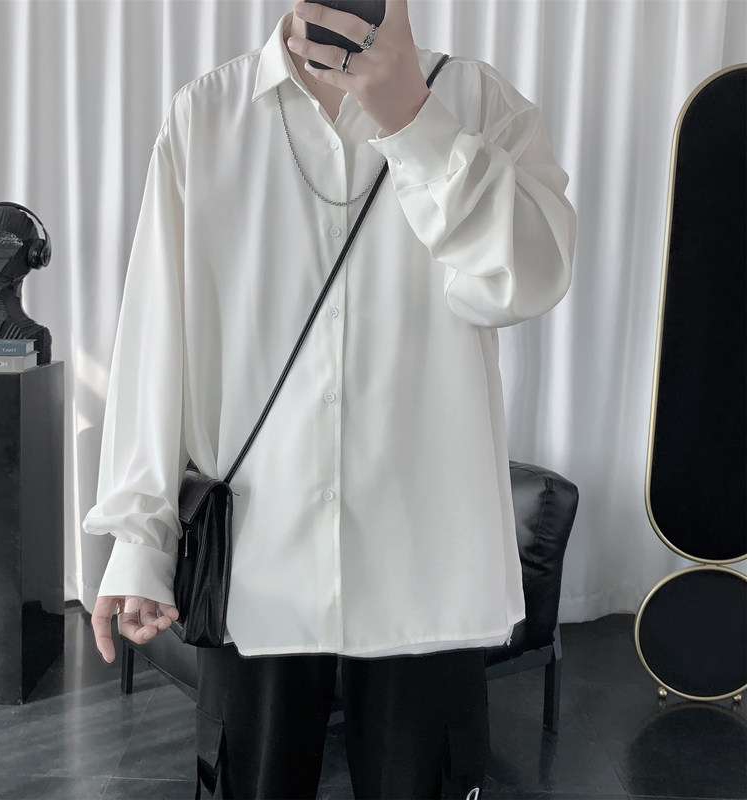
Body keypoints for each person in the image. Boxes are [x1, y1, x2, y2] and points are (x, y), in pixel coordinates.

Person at [83, 1, 576, 797]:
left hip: (428, 566)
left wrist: (415, 121)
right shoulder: (206, 116)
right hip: (256, 567)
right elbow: (156, 335)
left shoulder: (480, 103)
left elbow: (529, 278)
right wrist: (141, 538)